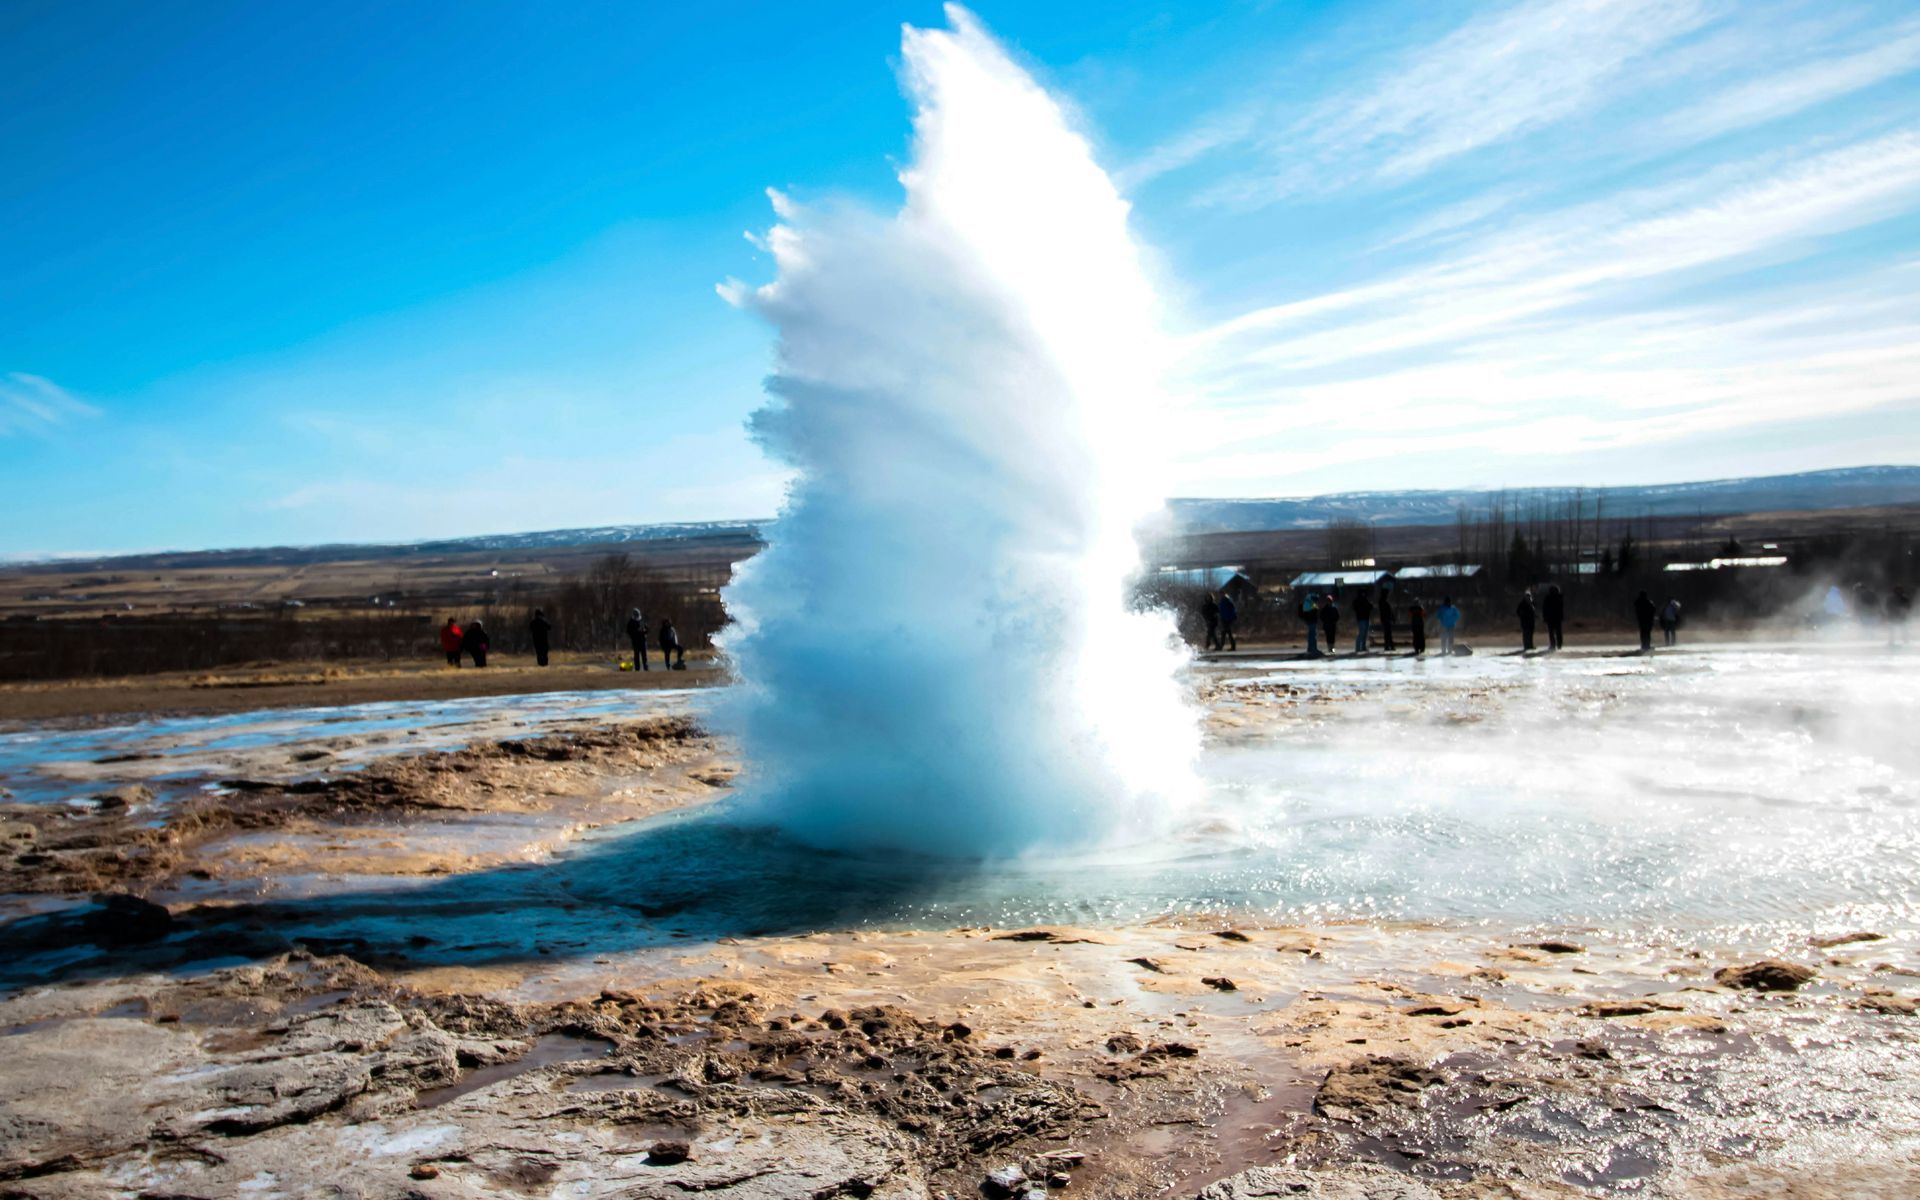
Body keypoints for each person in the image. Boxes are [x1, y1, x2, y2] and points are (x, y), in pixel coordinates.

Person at [1542, 584, 1565, 651]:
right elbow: (1545, 608)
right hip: (1555, 618)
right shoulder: (1559, 597)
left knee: (1553, 632)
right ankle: (1557, 644)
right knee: (1556, 632)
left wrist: (1545, 617)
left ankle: (1555, 644)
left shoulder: (1549, 597)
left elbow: (1545, 608)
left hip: (1552, 618)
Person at [625, 607, 649, 671]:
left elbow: (647, 629)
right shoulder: (631, 621)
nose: (637, 615)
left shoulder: (642, 620)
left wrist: (644, 631)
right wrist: (634, 633)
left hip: (643, 640)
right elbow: (628, 631)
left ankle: (645, 666)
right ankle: (637, 667)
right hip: (635, 640)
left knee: (644, 654)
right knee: (636, 654)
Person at [1351, 589, 1373, 654]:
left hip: (1366, 618)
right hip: (1361, 619)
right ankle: (1358, 647)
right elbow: (1355, 608)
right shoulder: (1357, 600)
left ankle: (1363, 647)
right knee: (1361, 633)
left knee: (1365, 634)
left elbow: (1370, 607)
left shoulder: (1366, 600)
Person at [1299, 592, 1320, 657]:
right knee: (1312, 635)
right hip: (1311, 621)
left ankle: (1312, 648)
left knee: (1312, 635)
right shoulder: (1310, 603)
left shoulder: (1309, 603)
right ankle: (1312, 649)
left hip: (1311, 621)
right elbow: (1313, 611)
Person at [1377, 589, 1396, 653]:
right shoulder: (1383, 602)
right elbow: (1388, 611)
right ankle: (1389, 645)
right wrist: (1392, 617)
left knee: (1388, 633)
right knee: (1388, 633)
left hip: (1385, 618)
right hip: (1386, 619)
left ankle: (1388, 645)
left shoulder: (1382, 601)